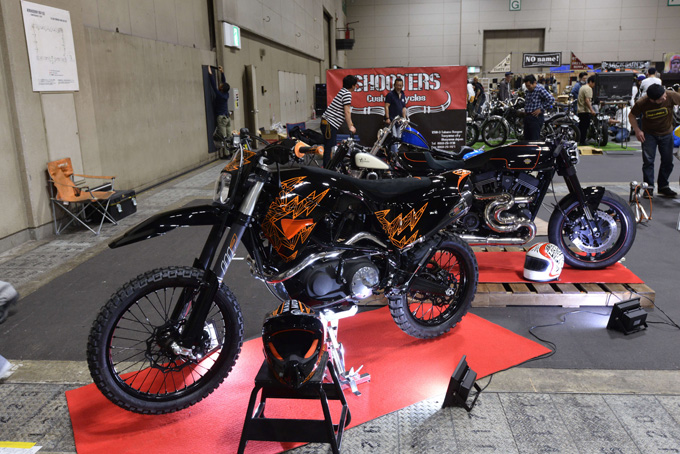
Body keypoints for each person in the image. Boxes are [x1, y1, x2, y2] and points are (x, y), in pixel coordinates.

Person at [629, 83, 680, 198]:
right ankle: (649, 188)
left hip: (667, 133)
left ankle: (663, 186)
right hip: (649, 135)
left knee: (668, 161)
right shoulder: (642, 102)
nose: (665, 98)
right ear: (652, 100)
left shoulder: (671, 95)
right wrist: (637, 130)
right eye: (661, 98)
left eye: (664, 95)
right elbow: (631, 116)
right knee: (648, 161)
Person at [321, 74, 357, 167]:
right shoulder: (347, 93)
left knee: (330, 147)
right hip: (329, 124)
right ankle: (327, 169)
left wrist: (351, 124)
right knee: (330, 148)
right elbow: (347, 111)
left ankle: (328, 168)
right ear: (352, 85)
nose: (355, 87)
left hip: (327, 123)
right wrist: (350, 126)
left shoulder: (343, 91)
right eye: (355, 85)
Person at [522, 74, 554, 141]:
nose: (528, 87)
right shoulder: (528, 91)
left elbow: (551, 99)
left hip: (535, 118)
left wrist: (541, 109)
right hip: (527, 117)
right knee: (526, 140)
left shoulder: (540, 89)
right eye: (526, 86)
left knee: (534, 140)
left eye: (529, 86)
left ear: (534, 83)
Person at [207, 66, 231, 143]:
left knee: (223, 137)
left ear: (222, 89)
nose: (220, 85)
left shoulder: (220, 95)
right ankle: (231, 149)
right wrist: (222, 72)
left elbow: (213, 85)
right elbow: (224, 82)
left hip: (221, 118)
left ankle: (225, 151)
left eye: (221, 85)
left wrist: (210, 74)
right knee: (229, 137)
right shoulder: (226, 94)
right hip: (227, 117)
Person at [577, 75, 597, 146]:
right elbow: (587, 100)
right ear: (591, 82)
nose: (594, 85)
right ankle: (583, 141)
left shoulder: (582, 87)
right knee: (585, 127)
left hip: (580, 110)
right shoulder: (588, 89)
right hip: (585, 111)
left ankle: (581, 140)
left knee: (581, 127)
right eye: (594, 83)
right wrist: (592, 110)